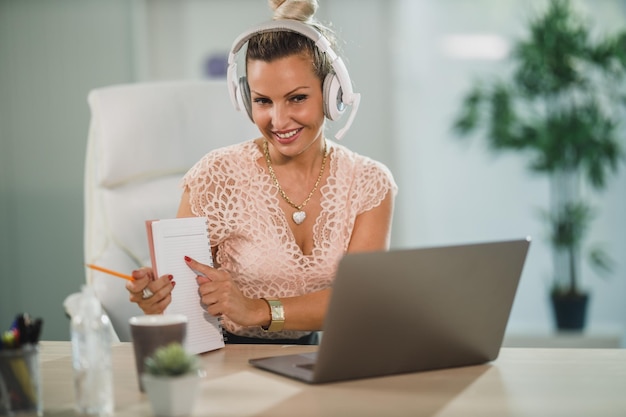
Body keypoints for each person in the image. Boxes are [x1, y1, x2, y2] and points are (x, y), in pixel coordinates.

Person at [126, 0, 397, 344]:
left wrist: (259, 309)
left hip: (313, 359)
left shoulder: (369, 183)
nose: (279, 121)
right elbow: (176, 307)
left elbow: (359, 302)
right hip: (224, 357)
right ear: (245, 98)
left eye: (297, 98)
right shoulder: (216, 175)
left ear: (333, 94)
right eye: (263, 101)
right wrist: (155, 301)